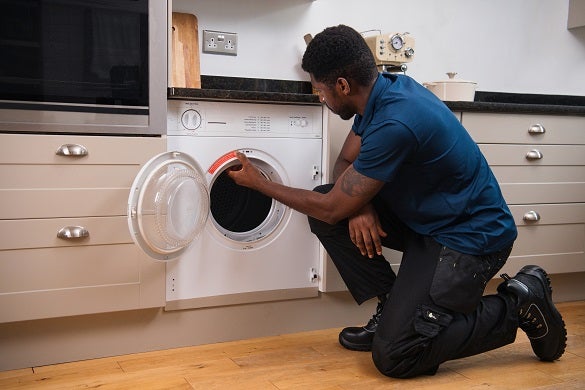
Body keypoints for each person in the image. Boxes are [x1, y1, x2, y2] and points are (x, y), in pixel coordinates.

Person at [227, 24, 567, 378]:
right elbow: (345, 165)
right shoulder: (381, 93)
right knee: (328, 201)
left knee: (396, 355)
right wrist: (361, 206)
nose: (321, 99)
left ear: (342, 85)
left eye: (321, 90)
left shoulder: (396, 121)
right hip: (430, 226)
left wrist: (260, 183)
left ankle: (519, 303)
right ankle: (393, 311)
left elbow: (331, 210)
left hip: (470, 241)